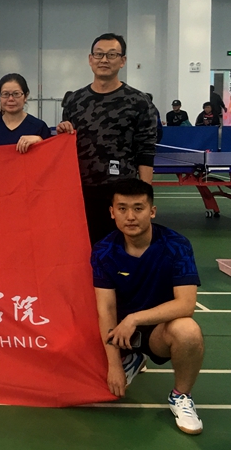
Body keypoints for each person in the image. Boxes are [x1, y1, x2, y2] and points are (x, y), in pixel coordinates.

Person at [92, 179, 203, 435]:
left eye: (138, 208)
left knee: (188, 331)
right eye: (122, 209)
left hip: (157, 331)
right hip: (120, 334)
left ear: (152, 211)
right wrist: (114, 366)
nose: (130, 216)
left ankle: (181, 396)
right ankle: (130, 358)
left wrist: (134, 318)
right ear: (112, 212)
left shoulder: (176, 245)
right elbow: (106, 310)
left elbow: (186, 304)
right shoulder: (103, 251)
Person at [57, 33, 157, 245]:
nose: (104, 60)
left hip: (121, 193)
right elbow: (65, 146)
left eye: (112, 55)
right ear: (90, 59)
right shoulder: (74, 100)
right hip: (81, 192)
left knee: (121, 250)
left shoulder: (139, 102)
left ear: (123, 61)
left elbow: (146, 150)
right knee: (84, 249)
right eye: (99, 54)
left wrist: (144, 196)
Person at [0, 74, 51, 152]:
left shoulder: (39, 127)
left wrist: (40, 142)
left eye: (16, 94)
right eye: (5, 94)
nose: (11, 99)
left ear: (25, 97)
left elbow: (52, 154)